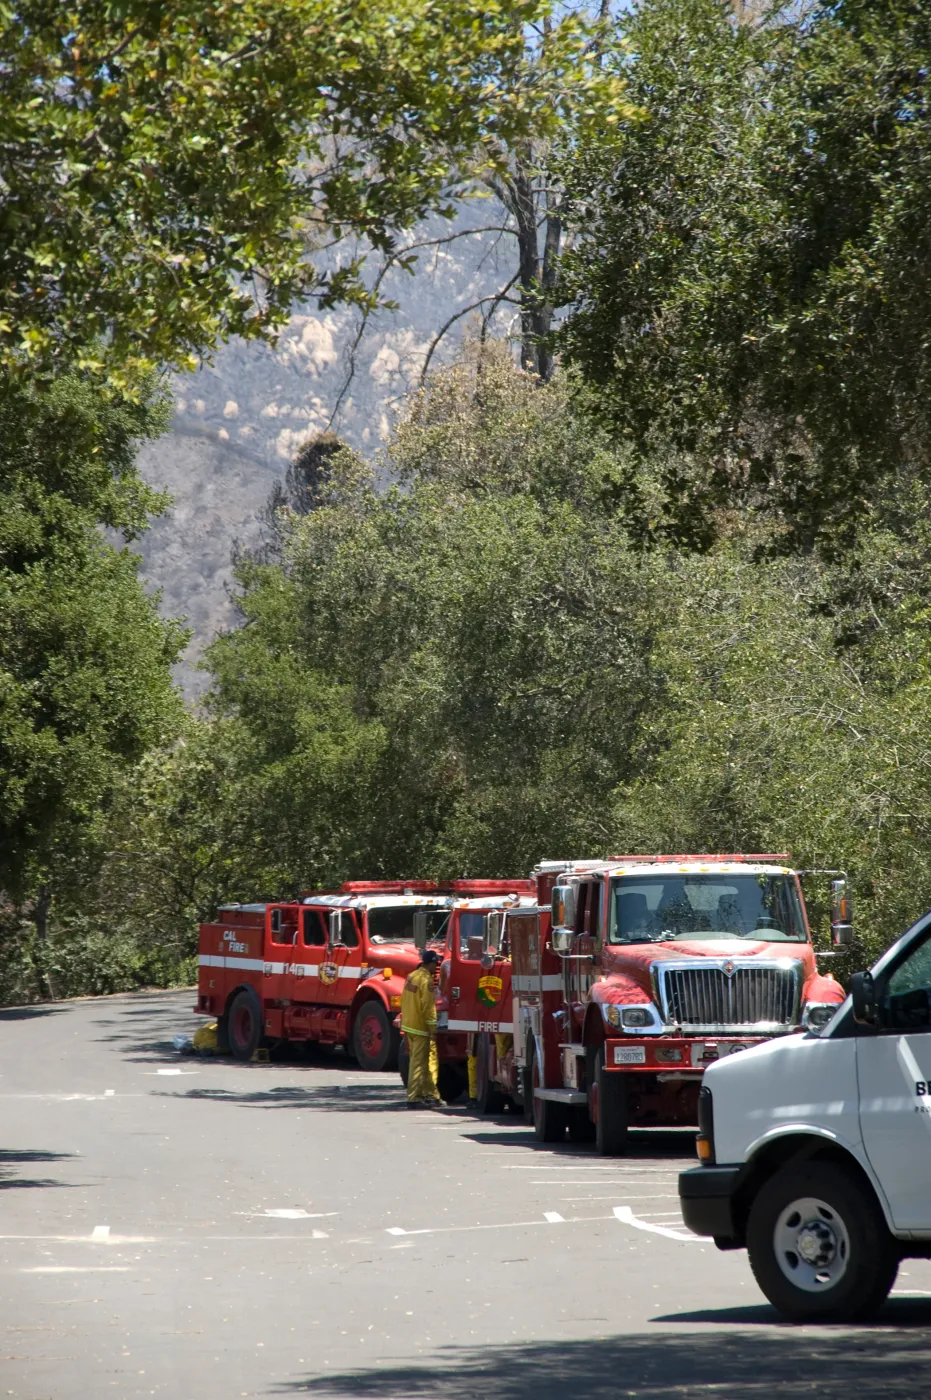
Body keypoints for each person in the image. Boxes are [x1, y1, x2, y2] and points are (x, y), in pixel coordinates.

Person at [401, 949, 441, 1108]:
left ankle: (427, 1093)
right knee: (418, 1064)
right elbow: (428, 1007)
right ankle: (413, 1098)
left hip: (409, 1024)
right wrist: (433, 1028)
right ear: (430, 963)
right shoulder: (427, 981)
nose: (436, 967)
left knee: (419, 1062)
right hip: (420, 1027)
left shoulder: (412, 976)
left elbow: (404, 998)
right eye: (435, 964)